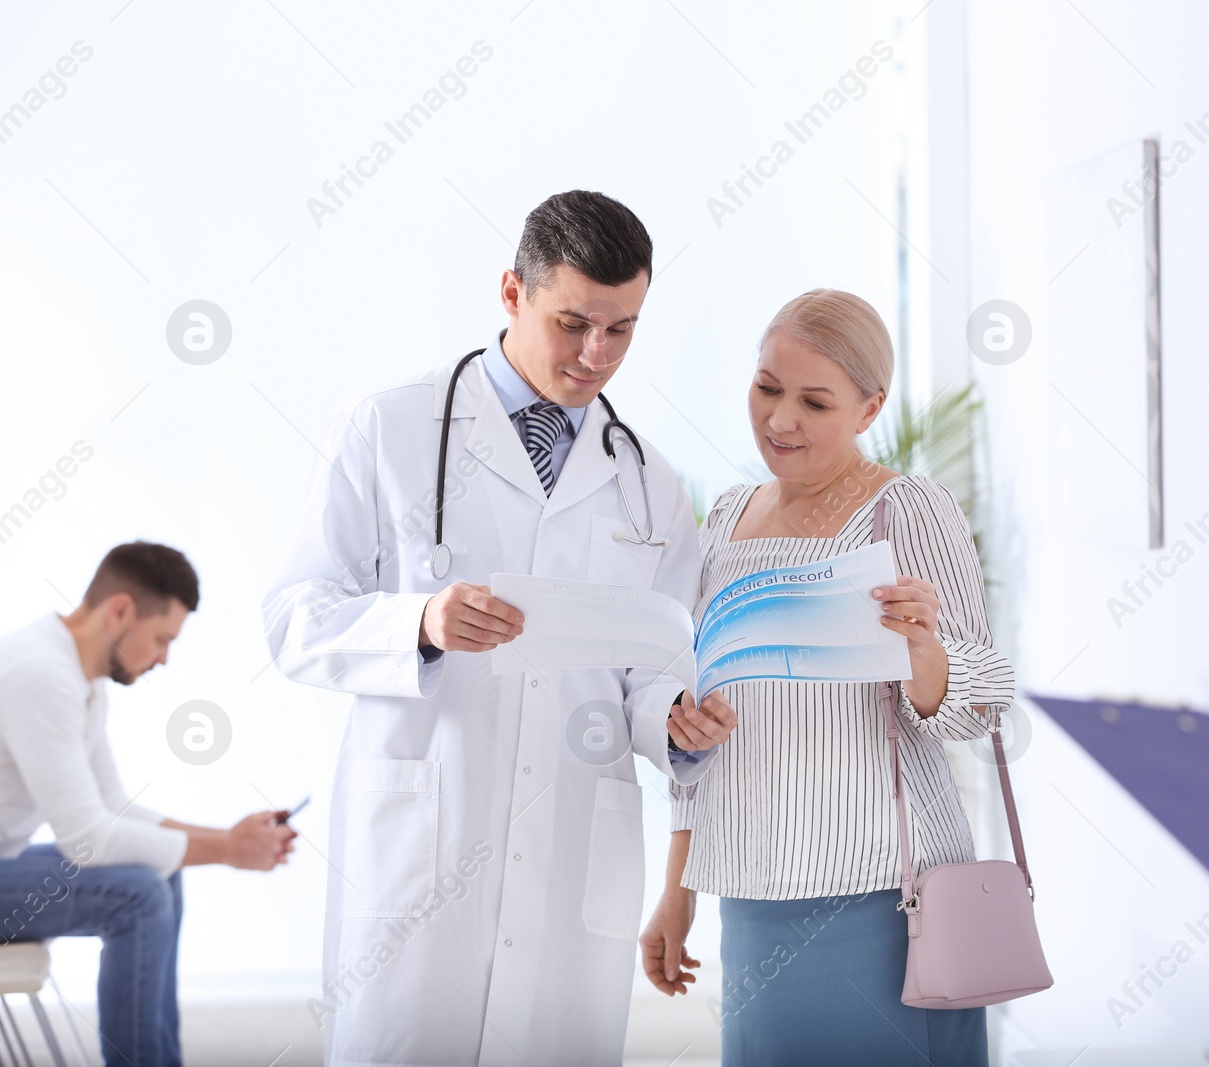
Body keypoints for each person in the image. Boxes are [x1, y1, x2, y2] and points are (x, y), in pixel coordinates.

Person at [262, 189, 736, 1066]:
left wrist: (676, 723)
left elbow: (656, 665)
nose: (597, 354)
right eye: (574, 323)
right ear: (512, 294)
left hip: (572, 849)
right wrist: (422, 623)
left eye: (622, 330)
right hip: (424, 845)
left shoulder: (648, 483)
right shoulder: (391, 428)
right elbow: (295, 616)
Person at [639, 289, 1014, 1066]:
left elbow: (984, 700)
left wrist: (924, 654)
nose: (780, 420)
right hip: (751, 886)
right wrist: (678, 887)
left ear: (870, 407)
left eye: (814, 401)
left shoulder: (906, 510)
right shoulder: (726, 521)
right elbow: (696, 719)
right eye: (767, 387)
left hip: (885, 894)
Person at [0, 541, 295, 1067]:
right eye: (162, 639)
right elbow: (88, 841)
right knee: (137, 893)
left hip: (8, 866)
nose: (163, 658)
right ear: (120, 611)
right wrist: (228, 849)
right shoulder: (41, 674)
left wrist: (228, 836)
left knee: (160, 872)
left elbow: (112, 808)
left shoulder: (76, 675)